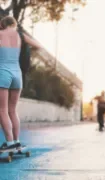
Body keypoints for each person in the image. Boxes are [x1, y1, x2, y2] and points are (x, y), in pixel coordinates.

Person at [0, 16, 41, 151]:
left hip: (3, 73)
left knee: (3, 110)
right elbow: (38, 46)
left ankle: (10, 142)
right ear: (14, 24)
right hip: (17, 74)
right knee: (12, 110)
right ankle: (17, 141)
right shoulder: (20, 35)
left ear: (2, 25)